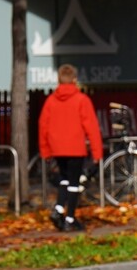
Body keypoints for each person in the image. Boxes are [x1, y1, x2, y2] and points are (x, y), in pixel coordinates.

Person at [37, 63, 104, 232]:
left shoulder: (51, 101)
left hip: (57, 148)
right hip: (75, 147)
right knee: (74, 183)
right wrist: (97, 152)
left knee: (65, 180)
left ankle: (59, 209)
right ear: (75, 80)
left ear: (59, 79)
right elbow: (92, 127)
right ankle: (70, 218)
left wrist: (45, 150)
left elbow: (42, 126)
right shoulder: (81, 100)